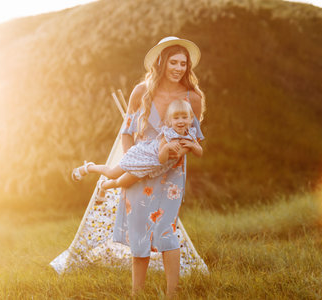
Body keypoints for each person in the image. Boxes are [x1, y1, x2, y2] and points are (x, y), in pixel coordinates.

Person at [110, 36, 206, 298]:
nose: (178, 68)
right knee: (139, 230)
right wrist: (134, 164)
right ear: (161, 63)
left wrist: (179, 150)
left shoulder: (192, 97)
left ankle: (172, 294)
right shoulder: (141, 92)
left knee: (165, 229)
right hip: (140, 171)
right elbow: (127, 132)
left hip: (171, 173)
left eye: (183, 64)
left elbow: (194, 136)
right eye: (173, 62)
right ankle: (136, 294)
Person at [71, 99, 203, 201]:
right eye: (176, 118)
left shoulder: (190, 134)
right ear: (170, 121)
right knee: (112, 173)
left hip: (148, 167)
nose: (181, 121)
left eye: (184, 117)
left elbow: (199, 152)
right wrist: (168, 147)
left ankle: (103, 186)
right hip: (141, 157)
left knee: (122, 183)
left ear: (191, 119)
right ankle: (89, 167)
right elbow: (161, 159)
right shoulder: (167, 135)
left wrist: (193, 146)